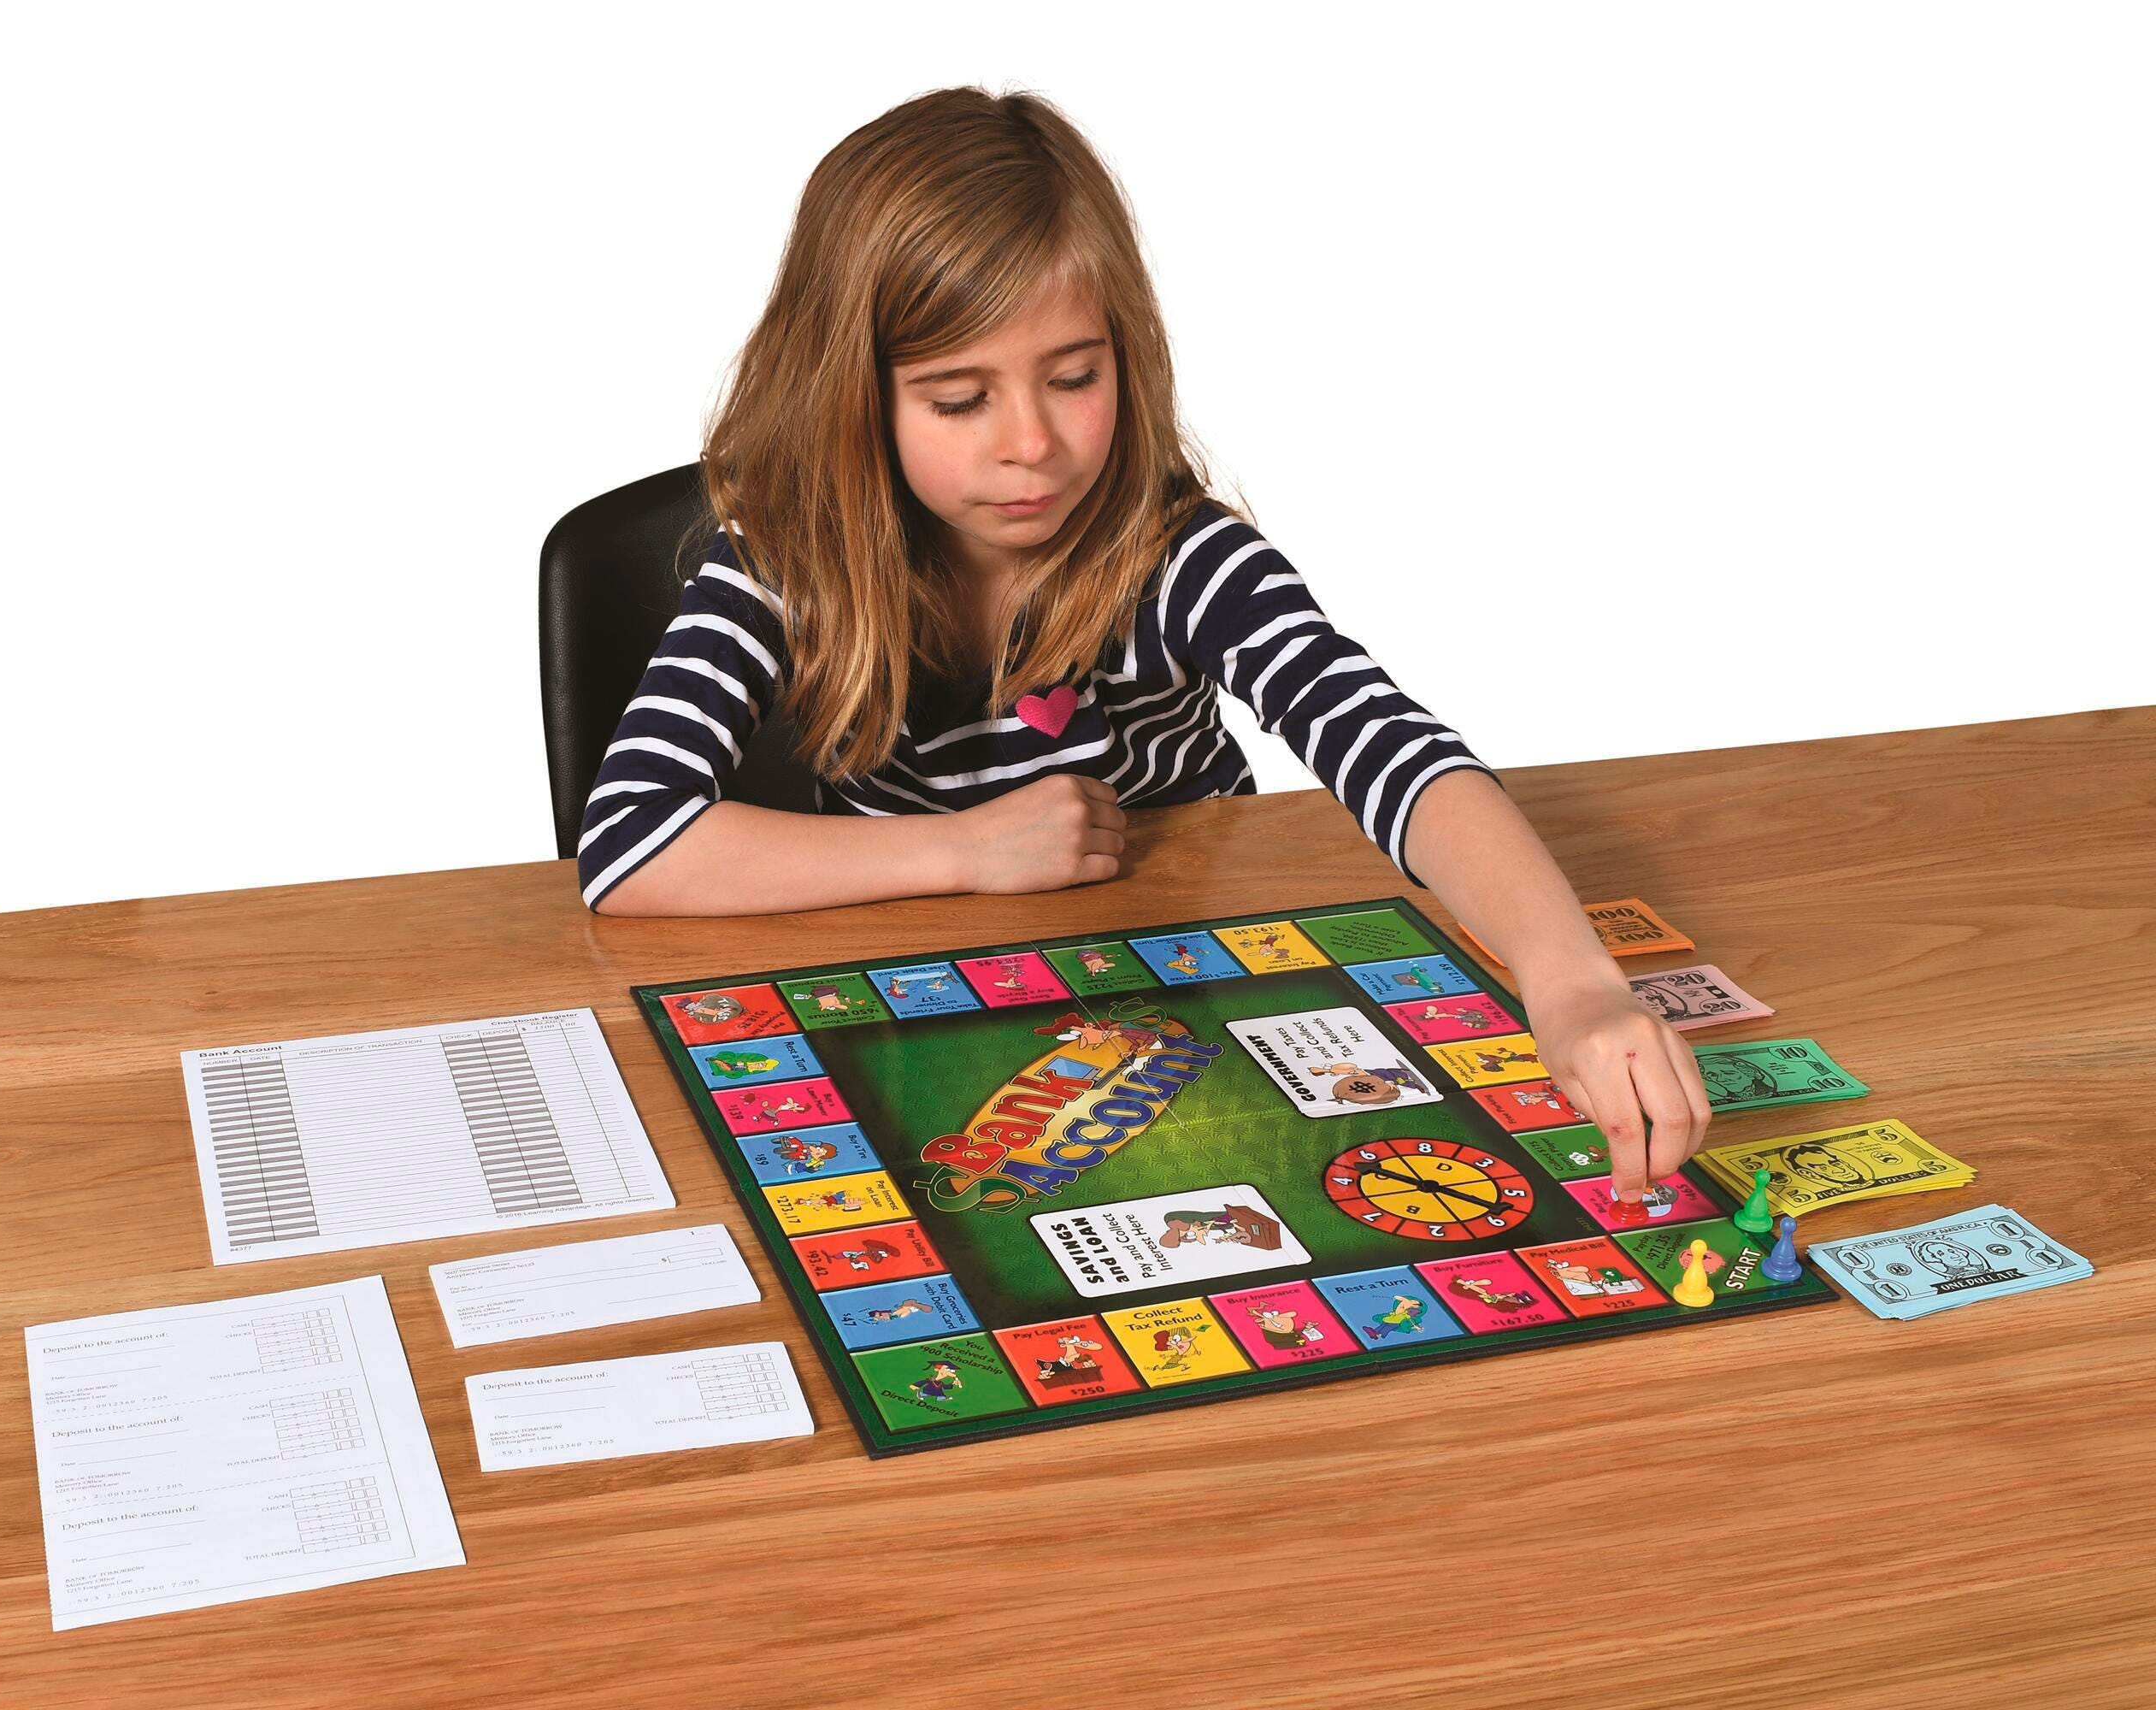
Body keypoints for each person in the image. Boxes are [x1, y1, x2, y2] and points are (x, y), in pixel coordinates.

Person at [573, 86, 1709, 1197]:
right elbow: (629, 844)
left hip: (1185, 985)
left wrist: (1569, 978)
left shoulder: (1181, 557)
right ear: (853, 398)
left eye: (1074, 377)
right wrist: (967, 851)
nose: (1031, 442)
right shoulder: (783, 563)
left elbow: (1387, 746)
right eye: (959, 399)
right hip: (917, 1000)